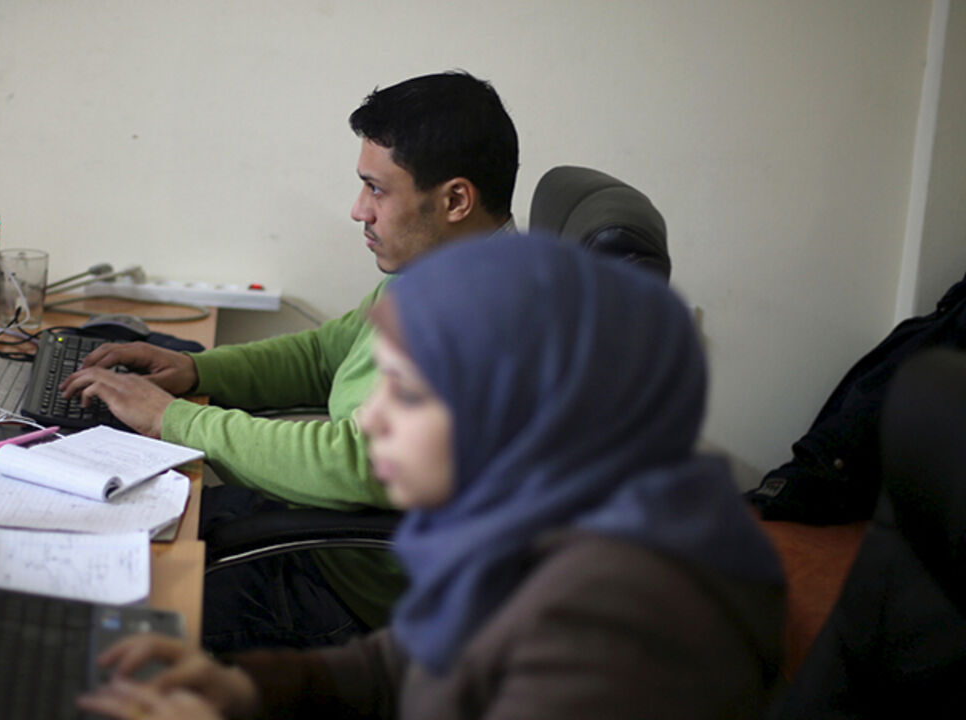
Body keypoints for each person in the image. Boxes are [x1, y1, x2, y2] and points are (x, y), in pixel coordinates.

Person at [74, 232, 787, 720]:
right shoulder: (529, 527)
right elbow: (396, 671)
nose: (373, 419)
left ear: (517, 415)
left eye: (407, 394)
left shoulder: (618, 627)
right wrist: (242, 689)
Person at [60, 71, 519, 651]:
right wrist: (200, 373)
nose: (359, 211)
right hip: (319, 540)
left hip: (347, 601)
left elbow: (363, 464)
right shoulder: (440, 272)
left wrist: (172, 420)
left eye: (377, 190)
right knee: (100, 531)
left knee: (95, 631)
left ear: (455, 199)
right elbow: (325, 353)